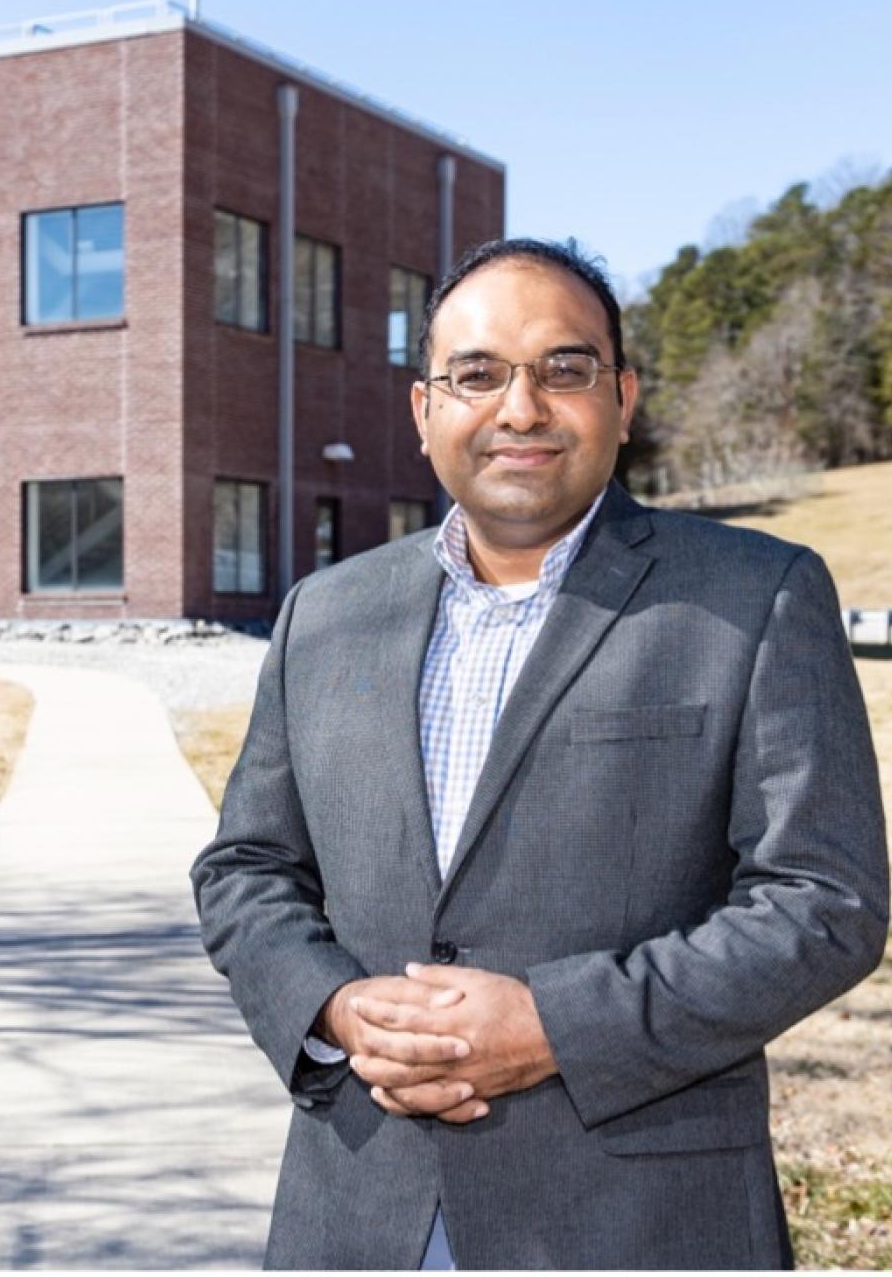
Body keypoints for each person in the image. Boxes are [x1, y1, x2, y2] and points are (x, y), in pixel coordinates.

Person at [191, 237, 888, 1270]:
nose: (519, 407)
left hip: (636, 1214)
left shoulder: (756, 594)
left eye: (563, 368)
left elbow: (820, 900)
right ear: (424, 408)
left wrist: (557, 1024)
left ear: (622, 397)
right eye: (475, 374)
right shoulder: (324, 613)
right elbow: (246, 866)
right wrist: (331, 1004)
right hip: (356, 1206)